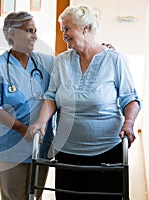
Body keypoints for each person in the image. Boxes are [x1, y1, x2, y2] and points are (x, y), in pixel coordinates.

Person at [27, 5, 141, 200]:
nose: (63, 34)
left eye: (67, 28)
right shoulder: (61, 61)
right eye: (62, 29)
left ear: (85, 28)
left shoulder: (115, 59)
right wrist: (41, 122)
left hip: (106, 152)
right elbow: (52, 96)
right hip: (67, 152)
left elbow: (130, 99)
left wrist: (128, 123)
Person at [0, 11, 55, 200]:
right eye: (29, 31)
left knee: (35, 196)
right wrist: (22, 129)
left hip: (40, 146)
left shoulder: (44, 62)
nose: (35, 36)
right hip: (10, 149)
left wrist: (101, 50)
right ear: (12, 33)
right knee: (14, 197)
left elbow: (72, 60)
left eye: (35, 31)